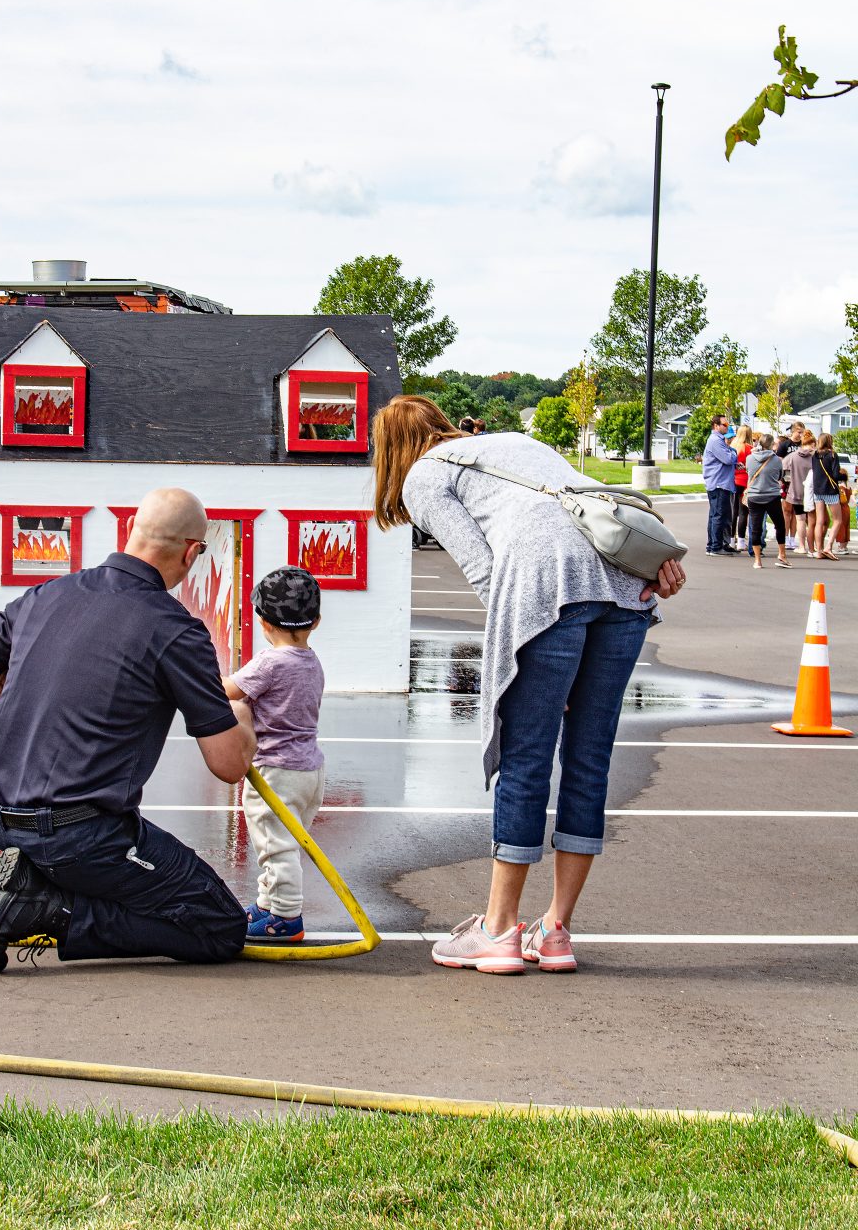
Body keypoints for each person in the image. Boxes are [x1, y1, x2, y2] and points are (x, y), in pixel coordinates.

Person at [371, 396, 686, 976]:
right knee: (588, 757)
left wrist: (526, 655)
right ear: (441, 422)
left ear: (390, 450)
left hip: (546, 594)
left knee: (526, 756)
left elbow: (485, 569)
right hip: (625, 589)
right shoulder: (517, 442)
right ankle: (557, 932)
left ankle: (497, 931)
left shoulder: (425, 475)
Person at [0, 487, 255, 974]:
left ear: (131, 527)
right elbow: (229, 765)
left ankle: (39, 879)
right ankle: (52, 911)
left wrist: (42, 692)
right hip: (77, 835)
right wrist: (245, 712)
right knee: (218, 926)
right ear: (193, 552)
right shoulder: (175, 629)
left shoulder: (47, 594)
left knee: (104, 865)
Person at [222, 567, 325, 943]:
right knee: (285, 841)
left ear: (263, 622)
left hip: (275, 770)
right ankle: (269, 903)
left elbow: (230, 691)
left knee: (274, 844)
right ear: (315, 621)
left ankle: (285, 916)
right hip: (309, 769)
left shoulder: (270, 662)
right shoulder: (310, 661)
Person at [744, 434, 789, 570]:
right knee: (779, 525)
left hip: (754, 496)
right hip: (772, 496)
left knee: (756, 528)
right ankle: (782, 555)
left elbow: (748, 472)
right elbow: (780, 476)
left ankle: (757, 560)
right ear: (771, 445)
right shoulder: (776, 460)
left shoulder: (749, 458)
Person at [702, 413, 737, 555]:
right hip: (719, 483)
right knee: (718, 515)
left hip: (719, 482)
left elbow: (726, 460)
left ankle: (713, 545)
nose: (727, 427)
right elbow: (728, 458)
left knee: (715, 515)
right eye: (725, 425)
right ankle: (715, 547)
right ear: (716, 426)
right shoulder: (715, 440)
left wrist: (734, 461)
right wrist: (734, 455)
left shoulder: (718, 440)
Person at [784, 429, 817, 557]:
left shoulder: (792, 457)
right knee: (813, 520)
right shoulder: (815, 458)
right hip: (812, 492)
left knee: (800, 520)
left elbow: (783, 469)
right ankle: (813, 547)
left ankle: (802, 546)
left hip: (796, 491)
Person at [813, 432, 844, 561]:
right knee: (837, 519)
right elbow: (836, 475)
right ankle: (828, 546)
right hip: (830, 490)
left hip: (818, 490)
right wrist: (844, 476)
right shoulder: (832, 455)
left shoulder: (815, 455)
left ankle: (819, 550)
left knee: (819, 521)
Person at [730, 424, 752, 551]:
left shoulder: (733, 447)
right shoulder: (749, 448)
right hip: (745, 482)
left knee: (733, 511)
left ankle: (731, 539)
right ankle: (741, 541)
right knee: (744, 511)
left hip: (733, 481)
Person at [838, 468, 852, 556]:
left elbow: (841, 500)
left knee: (841, 527)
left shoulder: (841, 488)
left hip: (842, 508)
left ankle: (841, 547)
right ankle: (845, 546)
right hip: (847, 507)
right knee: (846, 526)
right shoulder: (848, 487)